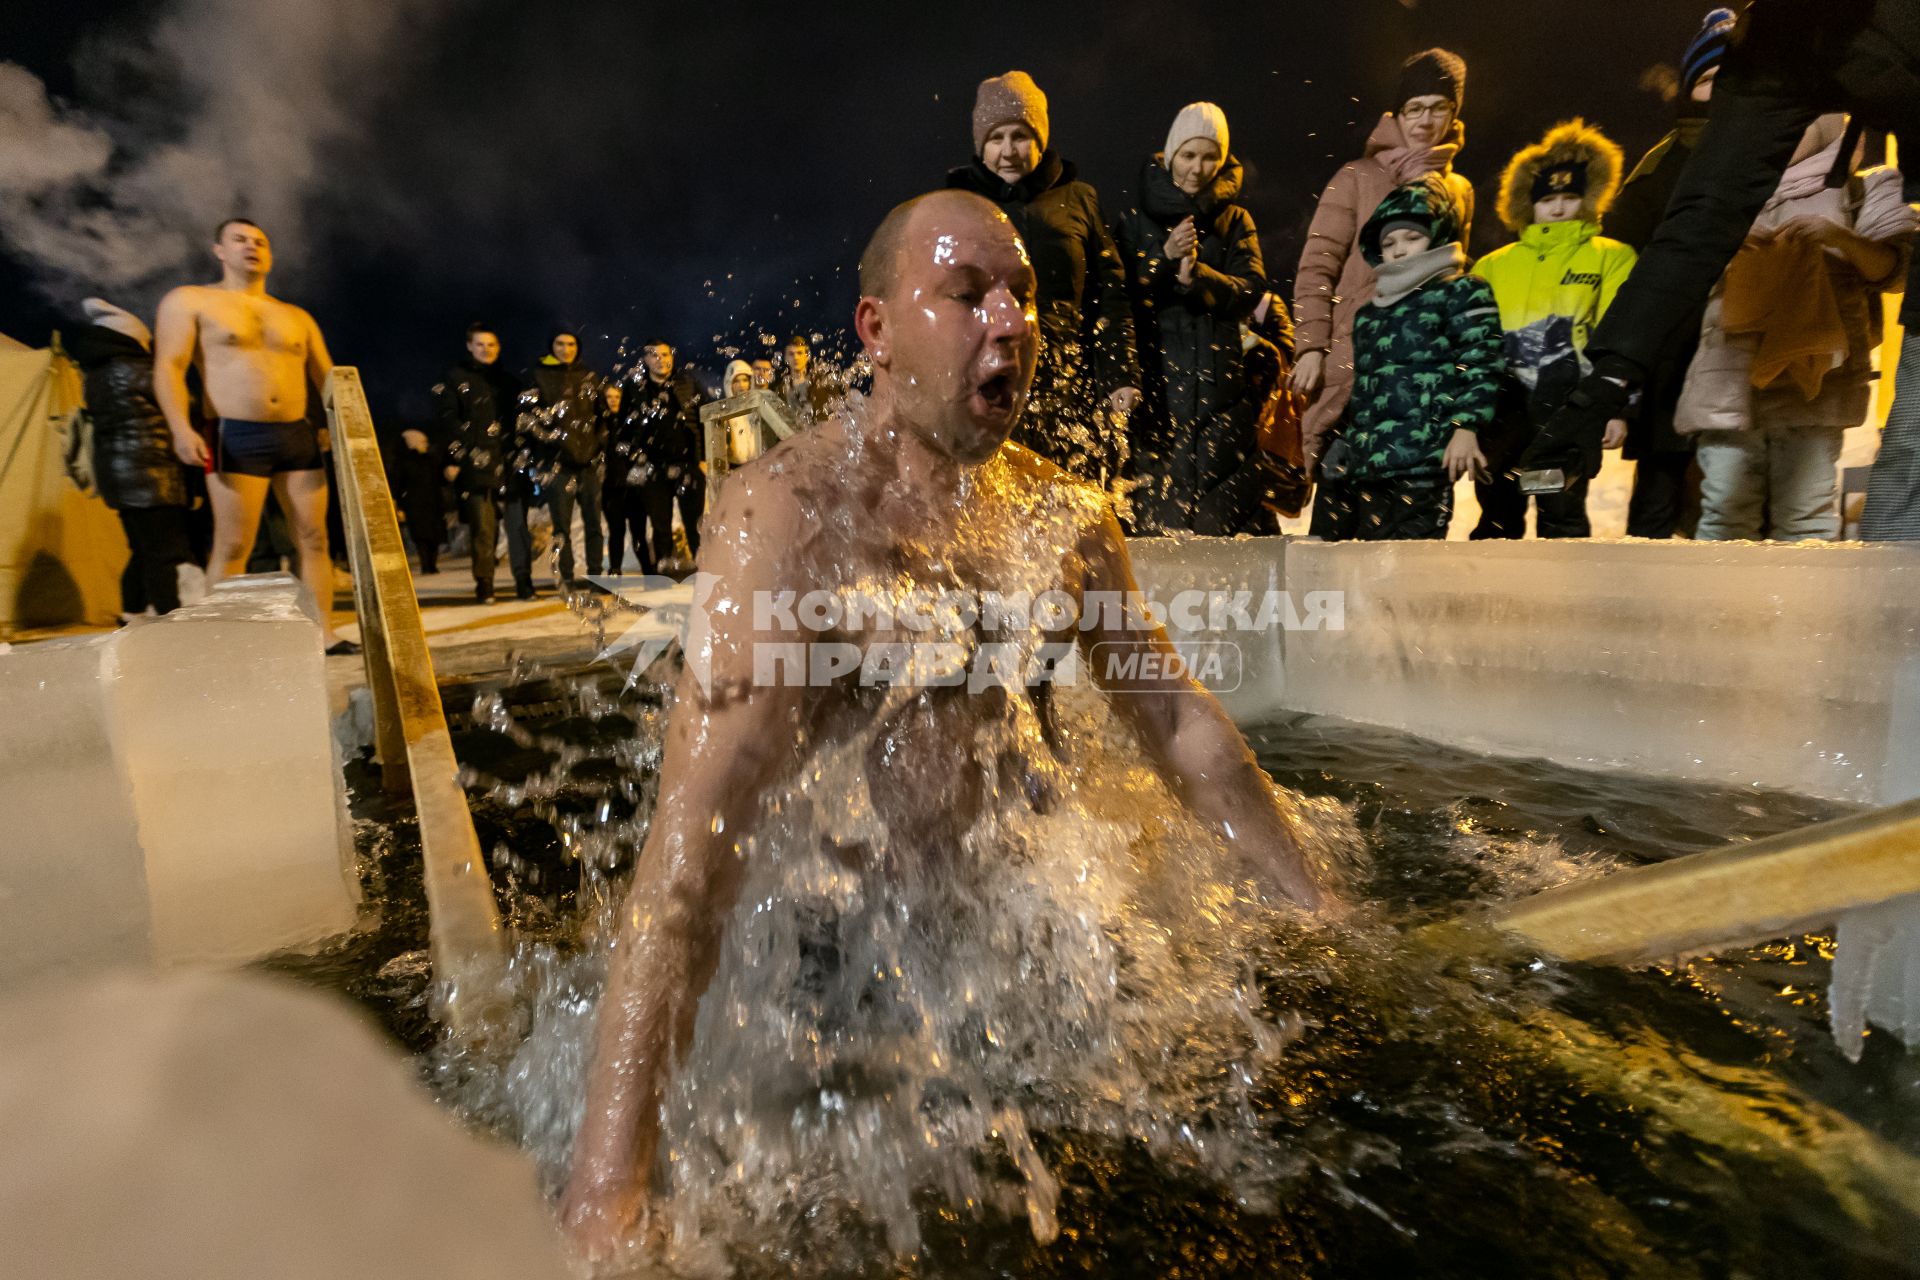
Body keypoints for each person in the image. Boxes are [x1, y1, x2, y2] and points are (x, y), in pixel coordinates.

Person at [559, 189, 1323, 1259]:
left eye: (1023, 297)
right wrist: (608, 1191)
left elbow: (1180, 725)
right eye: (967, 294)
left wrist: (1320, 910)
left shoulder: (1064, 516)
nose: (1011, 321)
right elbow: (691, 851)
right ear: (876, 330)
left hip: (1026, 948)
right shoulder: (784, 518)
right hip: (841, 975)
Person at [1518, 0, 1920, 535]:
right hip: (1812, 50)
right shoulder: (1777, 44)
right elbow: (1701, 219)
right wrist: (1607, 379)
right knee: (1907, 472)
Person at [1675, 114, 1914, 540]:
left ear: (1824, 123)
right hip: (1729, 380)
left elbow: (1896, 273)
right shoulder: (1723, 190)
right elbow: (1675, 275)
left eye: (1798, 119)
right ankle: (1722, 609)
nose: (1781, 128)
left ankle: (1800, 609)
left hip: (1815, 382)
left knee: (1806, 521)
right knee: (1725, 519)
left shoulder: (1863, 186)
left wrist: (1838, 239)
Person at [1292, 49, 1476, 541]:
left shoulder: (1458, 188)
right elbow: (1317, 265)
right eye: (1415, 107)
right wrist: (1311, 344)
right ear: (1397, 112)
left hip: (1422, 375)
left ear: (1454, 114)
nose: (1426, 120)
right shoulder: (1355, 176)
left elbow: (1455, 283)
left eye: (1439, 107)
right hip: (1355, 365)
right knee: (1339, 517)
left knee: (1411, 520)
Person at [153, 217, 350, 652]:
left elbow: (331, 379)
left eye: (260, 241)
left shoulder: (296, 316)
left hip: (296, 434)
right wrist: (180, 427)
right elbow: (168, 366)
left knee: (315, 538)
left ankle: (323, 632)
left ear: (270, 254)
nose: (251, 246)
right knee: (234, 542)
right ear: (219, 250)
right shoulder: (190, 301)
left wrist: (341, 429)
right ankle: (218, 641)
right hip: (234, 433)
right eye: (239, 239)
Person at [947, 70, 1142, 484]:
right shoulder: (958, 206)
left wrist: (1120, 373)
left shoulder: (1079, 200)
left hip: (1066, 386)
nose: (1008, 150)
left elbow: (1110, 296)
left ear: (1039, 139)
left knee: (1066, 503)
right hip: (986, 383)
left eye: (1019, 136)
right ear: (981, 146)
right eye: (995, 139)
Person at [1470, 120, 1637, 539]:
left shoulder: (1611, 258)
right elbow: (1470, 347)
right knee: (1496, 518)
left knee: (1560, 516)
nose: (1559, 208)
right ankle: (1491, 597)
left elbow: (1622, 336)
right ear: (1529, 203)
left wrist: (1618, 408)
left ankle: (1563, 602)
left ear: (1588, 198)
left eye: (1570, 196)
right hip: (1502, 417)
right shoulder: (1492, 265)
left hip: (1567, 415)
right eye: (1548, 199)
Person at [1605, 7, 1733, 539]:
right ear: (1688, 87)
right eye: (1708, 78)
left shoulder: (1780, 154)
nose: (1721, 90)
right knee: (1661, 484)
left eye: (1732, 78)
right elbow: (1625, 253)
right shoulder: (1659, 165)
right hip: (1673, 350)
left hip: (1737, 341)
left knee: (1730, 484)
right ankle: (1643, 599)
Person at [1115, 102, 1267, 533]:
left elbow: (1252, 290)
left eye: (1209, 157)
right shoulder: (1133, 220)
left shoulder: (1235, 220)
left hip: (1221, 388)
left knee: (1226, 525)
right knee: (1151, 524)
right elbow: (1119, 297)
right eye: (1188, 155)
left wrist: (1199, 277)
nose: (1198, 168)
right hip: (1155, 385)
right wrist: (1163, 259)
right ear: (1170, 154)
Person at [1336, 179, 1504, 541]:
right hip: (1372, 463)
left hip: (1426, 453)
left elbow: (1482, 361)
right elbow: (1366, 387)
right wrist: (1351, 443)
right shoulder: (1370, 313)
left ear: (1438, 235)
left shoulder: (1462, 291)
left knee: (1413, 562)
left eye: (1412, 237)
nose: (1399, 250)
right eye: (1388, 242)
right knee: (1371, 565)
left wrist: (1466, 427)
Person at [67, 298, 198, 617]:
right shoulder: (138, 370)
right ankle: (169, 618)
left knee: (141, 550)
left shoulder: (95, 377)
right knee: (164, 554)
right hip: (151, 474)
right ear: (131, 338)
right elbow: (184, 400)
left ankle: (132, 614)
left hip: (119, 477)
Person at [434, 323, 527, 604]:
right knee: (483, 527)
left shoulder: (509, 382)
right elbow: (448, 421)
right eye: (480, 345)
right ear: (469, 346)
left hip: (508, 461)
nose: (486, 350)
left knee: (517, 526)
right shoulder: (454, 379)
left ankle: (524, 581)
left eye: (492, 345)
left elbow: (521, 422)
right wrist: (455, 458)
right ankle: (485, 583)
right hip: (477, 463)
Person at [527, 330, 604, 584]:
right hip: (557, 464)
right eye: (559, 343)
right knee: (561, 528)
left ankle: (596, 576)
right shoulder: (538, 376)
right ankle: (568, 578)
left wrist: (597, 449)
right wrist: (545, 455)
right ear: (552, 346)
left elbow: (602, 418)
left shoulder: (589, 376)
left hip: (588, 463)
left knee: (593, 524)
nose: (566, 348)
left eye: (571, 344)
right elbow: (530, 420)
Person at [631, 339, 708, 570]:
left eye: (665, 354)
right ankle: (663, 574)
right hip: (654, 467)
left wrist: (703, 458)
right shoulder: (636, 389)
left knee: (695, 523)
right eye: (654, 355)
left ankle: (704, 570)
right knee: (660, 525)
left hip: (689, 464)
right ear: (645, 360)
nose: (661, 359)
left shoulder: (688, 383)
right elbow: (628, 428)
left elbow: (705, 419)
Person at [600, 380, 654, 576]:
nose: (613, 401)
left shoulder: (631, 424)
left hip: (633, 486)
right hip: (611, 487)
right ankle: (615, 571)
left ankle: (648, 571)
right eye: (609, 397)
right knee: (616, 531)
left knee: (638, 531)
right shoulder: (600, 424)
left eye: (617, 397)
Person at [391, 423, 446, 575]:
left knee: (432, 536)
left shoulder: (430, 459)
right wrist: (397, 504)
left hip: (431, 504)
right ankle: (426, 565)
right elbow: (397, 485)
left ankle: (431, 564)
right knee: (422, 537)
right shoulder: (405, 462)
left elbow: (439, 479)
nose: (426, 445)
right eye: (423, 442)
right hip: (416, 506)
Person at [773, 335, 831, 423]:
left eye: (799, 353)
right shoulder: (781, 388)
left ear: (807, 356)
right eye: (791, 354)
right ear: (786, 358)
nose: (795, 357)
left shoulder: (822, 382)